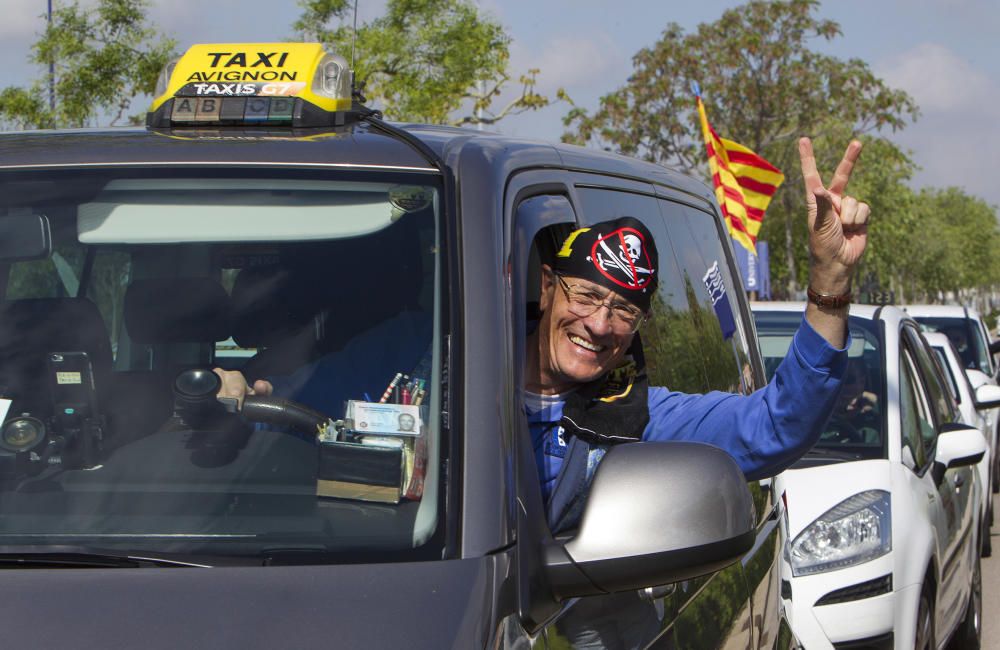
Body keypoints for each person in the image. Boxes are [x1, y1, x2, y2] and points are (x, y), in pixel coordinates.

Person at [217, 137, 869, 528]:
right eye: (586, 295)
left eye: (624, 312)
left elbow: (777, 426)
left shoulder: (639, 417)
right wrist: (239, 396)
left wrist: (829, 278)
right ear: (547, 287)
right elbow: (289, 415)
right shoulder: (423, 349)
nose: (599, 324)